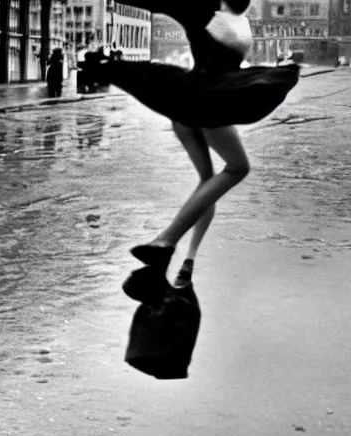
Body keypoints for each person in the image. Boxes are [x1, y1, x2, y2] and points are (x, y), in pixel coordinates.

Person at [96, 0, 300, 301]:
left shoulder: (230, 18)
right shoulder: (206, 11)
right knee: (237, 168)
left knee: (209, 181)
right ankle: (166, 243)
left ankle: (171, 262)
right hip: (205, 102)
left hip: (193, 105)